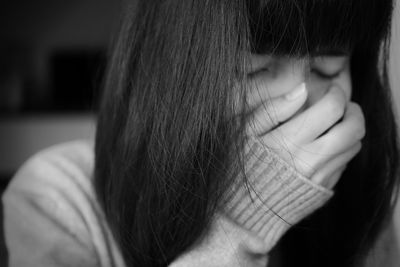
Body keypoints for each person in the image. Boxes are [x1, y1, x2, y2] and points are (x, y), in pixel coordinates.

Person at [2, 0, 400, 266]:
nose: (304, 102)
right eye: (255, 67)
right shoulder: (55, 198)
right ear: (169, 68)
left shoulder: (356, 199)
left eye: (330, 65)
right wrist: (242, 228)